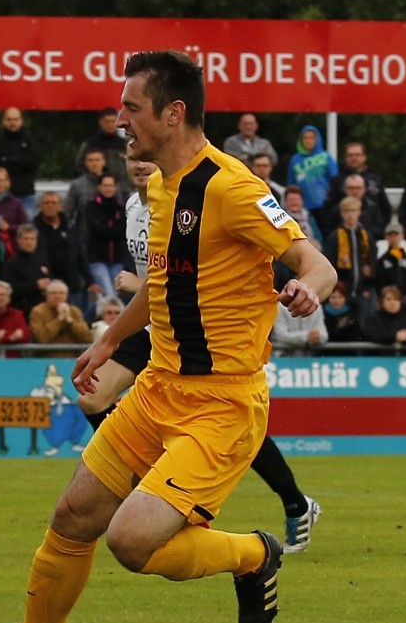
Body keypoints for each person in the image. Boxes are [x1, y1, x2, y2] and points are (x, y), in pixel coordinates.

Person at [0, 49, 336, 623]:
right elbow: (160, 284)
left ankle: (254, 554)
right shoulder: (159, 184)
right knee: (73, 516)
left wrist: (311, 289)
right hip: (158, 386)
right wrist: (107, 343)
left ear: (173, 112)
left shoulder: (233, 186)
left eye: (131, 107)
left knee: (130, 543)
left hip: (220, 403)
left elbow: (312, 258)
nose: (121, 118)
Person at [80, 156, 326, 558]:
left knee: (232, 430)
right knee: (92, 397)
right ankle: (143, 477)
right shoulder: (134, 206)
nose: (141, 164)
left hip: (199, 334)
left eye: (147, 158)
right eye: (131, 155)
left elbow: (183, 275)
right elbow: (163, 278)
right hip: (153, 327)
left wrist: (139, 284)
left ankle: (294, 501)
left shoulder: (208, 194)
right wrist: (111, 335)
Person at [287, 124, 336, 215]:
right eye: (305, 138)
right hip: (302, 206)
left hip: (325, 204)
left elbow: (335, 178)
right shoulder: (295, 159)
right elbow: (291, 183)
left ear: (317, 139)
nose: (308, 141)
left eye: (311, 138)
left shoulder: (325, 157)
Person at [29, 280, 93, 346]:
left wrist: (70, 322)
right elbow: (42, 339)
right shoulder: (38, 311)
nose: (57, 296)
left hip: (73, 354)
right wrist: (59, 320)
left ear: (67, 295)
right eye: (53, 293)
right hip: (48, 355)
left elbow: (87, 338)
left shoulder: (74, 311)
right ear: (46, 295)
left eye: (61, 293)